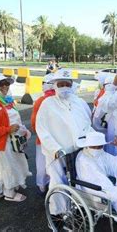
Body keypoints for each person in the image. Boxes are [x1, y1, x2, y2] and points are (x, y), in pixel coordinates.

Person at [36, 69, 93, 214]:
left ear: (72, 84)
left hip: (79, 150)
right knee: (58, 182)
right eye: (60, 84)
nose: (64, 87)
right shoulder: (47, 104)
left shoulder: (79, 102)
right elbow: (42, 129)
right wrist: (54, 149)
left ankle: (78, 208)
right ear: (54, 85)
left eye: (67, 84)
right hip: (57, 153)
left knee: (80, 179)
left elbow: (88, 122)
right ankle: (58, 213)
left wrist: (91, 140)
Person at [0, 74, 32, 202]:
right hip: (1, 142)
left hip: (11, 140)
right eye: (1, 84)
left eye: (6, 83)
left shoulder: (6, 101)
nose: (4, 86)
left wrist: (23, 130)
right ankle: (9, 193)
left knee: (2, 166)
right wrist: (8, 130)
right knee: (9, 166)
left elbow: (15, 119)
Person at [30, 73, 55, 194]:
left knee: (41, 164)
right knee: (55, 163)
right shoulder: (60, 99)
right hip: (58, 139)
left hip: (42, 139)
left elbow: (34, 122)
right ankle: (54, 184)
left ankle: (42, 185)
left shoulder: (40, 100)